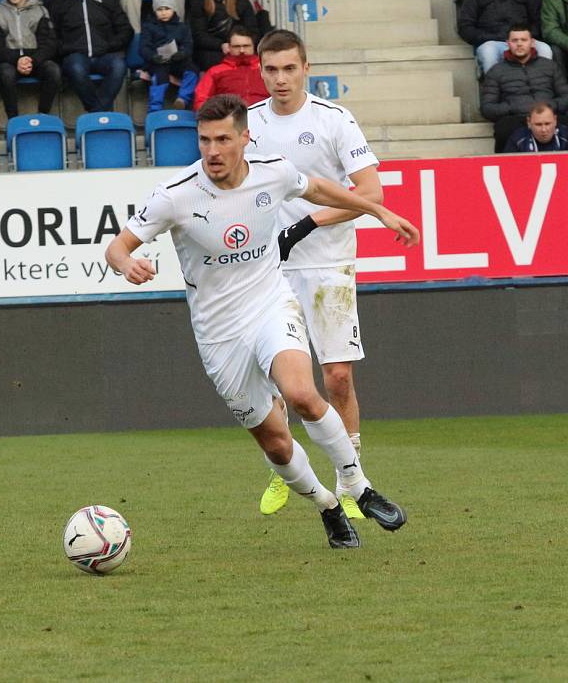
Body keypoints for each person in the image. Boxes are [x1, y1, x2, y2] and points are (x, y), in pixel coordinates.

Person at [105, 94, 418, 549]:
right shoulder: (175, 195)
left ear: (244, 139)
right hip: (218, 333)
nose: (212, 151)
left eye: (223, 139)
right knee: (276, 444)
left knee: (301, 394)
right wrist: (126, 264)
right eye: (205, 140)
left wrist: (378, 210)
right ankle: (327, 505)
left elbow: (318, 188)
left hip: (270, 303)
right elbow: (117, 246)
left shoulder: (272, 170)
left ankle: (358, 486)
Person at [243, 29, 383, 519]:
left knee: (337, 378)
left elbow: (371, 193)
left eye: (289, 68)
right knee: (280, 383)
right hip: (269, 271)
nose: (280, 79)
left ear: (306, 68)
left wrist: (307, 222)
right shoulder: (250, 124)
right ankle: (284, 470)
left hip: (328, 264)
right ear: (260, 71)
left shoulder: (334, 120)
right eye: (271, 70)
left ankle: (351, 480)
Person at [47, 0, 132, 113]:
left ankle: (95, 112)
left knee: (119, 66)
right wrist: (66, 49)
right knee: (76, 69)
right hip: (75, 55)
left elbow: (125, 29)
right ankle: (100, 113)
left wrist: (110, 45)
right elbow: (52, 35)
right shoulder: (59, 3)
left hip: (104, 54)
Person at [481, 24, 568, 151]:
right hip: (516, 117)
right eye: (515, 40)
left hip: (549, 115)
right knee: (503, 129)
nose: (519, 44)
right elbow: (487, 108)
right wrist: (511, 107)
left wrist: (550, 106)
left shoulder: (550, 66)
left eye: (524, 40)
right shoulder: (496, 71)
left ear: (532, 42)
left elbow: (565, 96)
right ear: (508, 43)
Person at [0, 0, 61, 117]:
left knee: (53, 70)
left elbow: (49, 43)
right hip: (9, 59)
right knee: (6, 74)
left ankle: (43, 114)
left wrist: (32, 60)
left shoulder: (40, 10)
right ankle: (13, 117)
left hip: (35, 57)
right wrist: (17, 59)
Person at [189, 0, 258, 71]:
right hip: (211, 49)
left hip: (240, 46)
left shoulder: (241, 1)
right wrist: (221, 45)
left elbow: (252, 29)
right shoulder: (199, 2)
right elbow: (198, 35)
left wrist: (239, 45)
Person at [139, 0, 198, 111]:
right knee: (160, 76)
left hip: (177, 60)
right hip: (157, 62)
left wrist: (182, 53)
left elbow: (188, 45)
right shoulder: (148, 27)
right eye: (160, 9)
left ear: (174, 9)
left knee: (192, 70)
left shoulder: (182, 27)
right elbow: (144, 47)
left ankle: (182, 99)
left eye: (167, 9)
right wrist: (153, 57)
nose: (164, 13)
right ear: (155, 11)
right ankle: (155, 108)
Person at [193, 24, 267, 110]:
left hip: (266, 119)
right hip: (229, 119)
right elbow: (201, 101)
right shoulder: (215, 72)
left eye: (246, 46)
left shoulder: (267, 68)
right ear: (228, 47)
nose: (242, 50)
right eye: (237, 46)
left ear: (254, 46)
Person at [503, 100, 568, 150]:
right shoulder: (517, 139)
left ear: (555, 120)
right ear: (529, 122)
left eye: (547, 124)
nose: (544, 130)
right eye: (538, 124)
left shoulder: (566, 136)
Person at [540, 0, 568, 71]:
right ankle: (563, 86)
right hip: (565, 46)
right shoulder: (551, 0)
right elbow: (550, 31)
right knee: (555, 50)